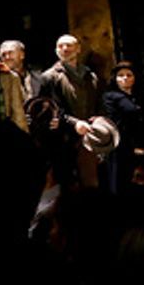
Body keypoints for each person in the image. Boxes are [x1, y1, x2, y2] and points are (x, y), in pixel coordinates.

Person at [40, 34, 102, 188]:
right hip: (64, 139)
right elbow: (51, 107)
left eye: (69, 45)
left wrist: (99, 119)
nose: (65, 49)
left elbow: (98, 103)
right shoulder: (49, 77)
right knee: (67, 186)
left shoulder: (91, 76)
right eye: (61, 46)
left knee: (91, 183)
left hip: (89, 137)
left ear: (78, 49)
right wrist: (74, 123)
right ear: (56, 50)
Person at [102, 61, 144, 195]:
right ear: (115, 78)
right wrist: (133, 146)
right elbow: (116, 122)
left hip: (139, 143)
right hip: (121, 144)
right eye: (121, 75)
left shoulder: (138, 96)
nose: (125, 78)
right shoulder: (111, 97)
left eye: (129, 75)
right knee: (120, 182)